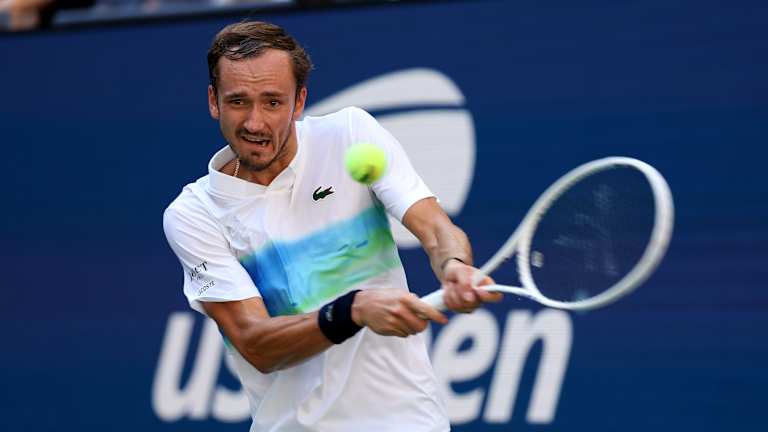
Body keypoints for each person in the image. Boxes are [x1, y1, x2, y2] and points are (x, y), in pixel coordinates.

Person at [163, 21, 501, 432]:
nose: (254, 122)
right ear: (214, 101)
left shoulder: (350, 134)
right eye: (239, 102)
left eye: (272, 102)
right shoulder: (194, 213)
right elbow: (256, 343)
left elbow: (433, 226)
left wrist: (453, 266)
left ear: (299, 101)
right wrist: (352, 310)